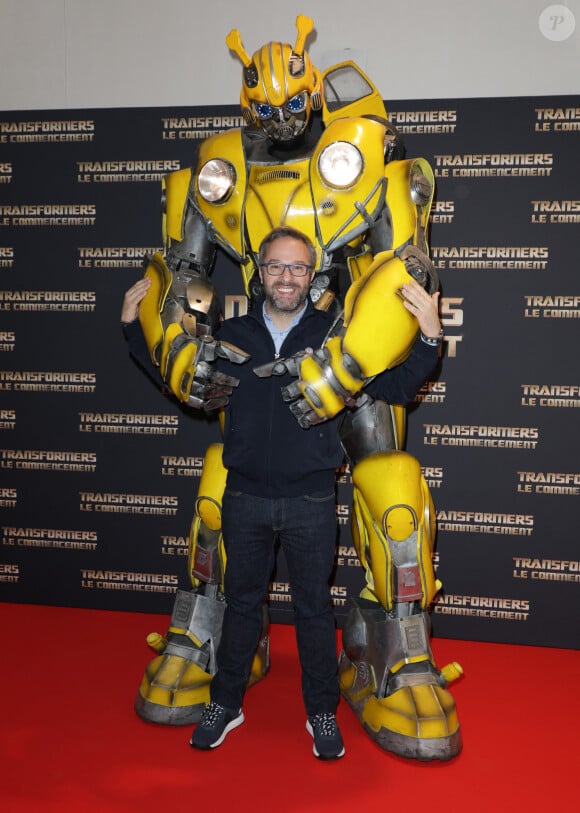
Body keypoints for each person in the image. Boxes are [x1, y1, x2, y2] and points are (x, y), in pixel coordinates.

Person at [123, 224, 442, 759]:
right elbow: (177, 382)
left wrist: (430, 335)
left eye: (297, 267)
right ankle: (225, 701)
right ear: (260, 274)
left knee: (314, 610)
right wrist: (135, 329)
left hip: (310, 500)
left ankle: (320, 711)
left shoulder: (334, 338)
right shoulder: (235, 335)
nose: (286, 277)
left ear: (313, 275)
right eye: (276, 266)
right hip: (245, 495)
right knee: (240, 604)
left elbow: (395, 387)